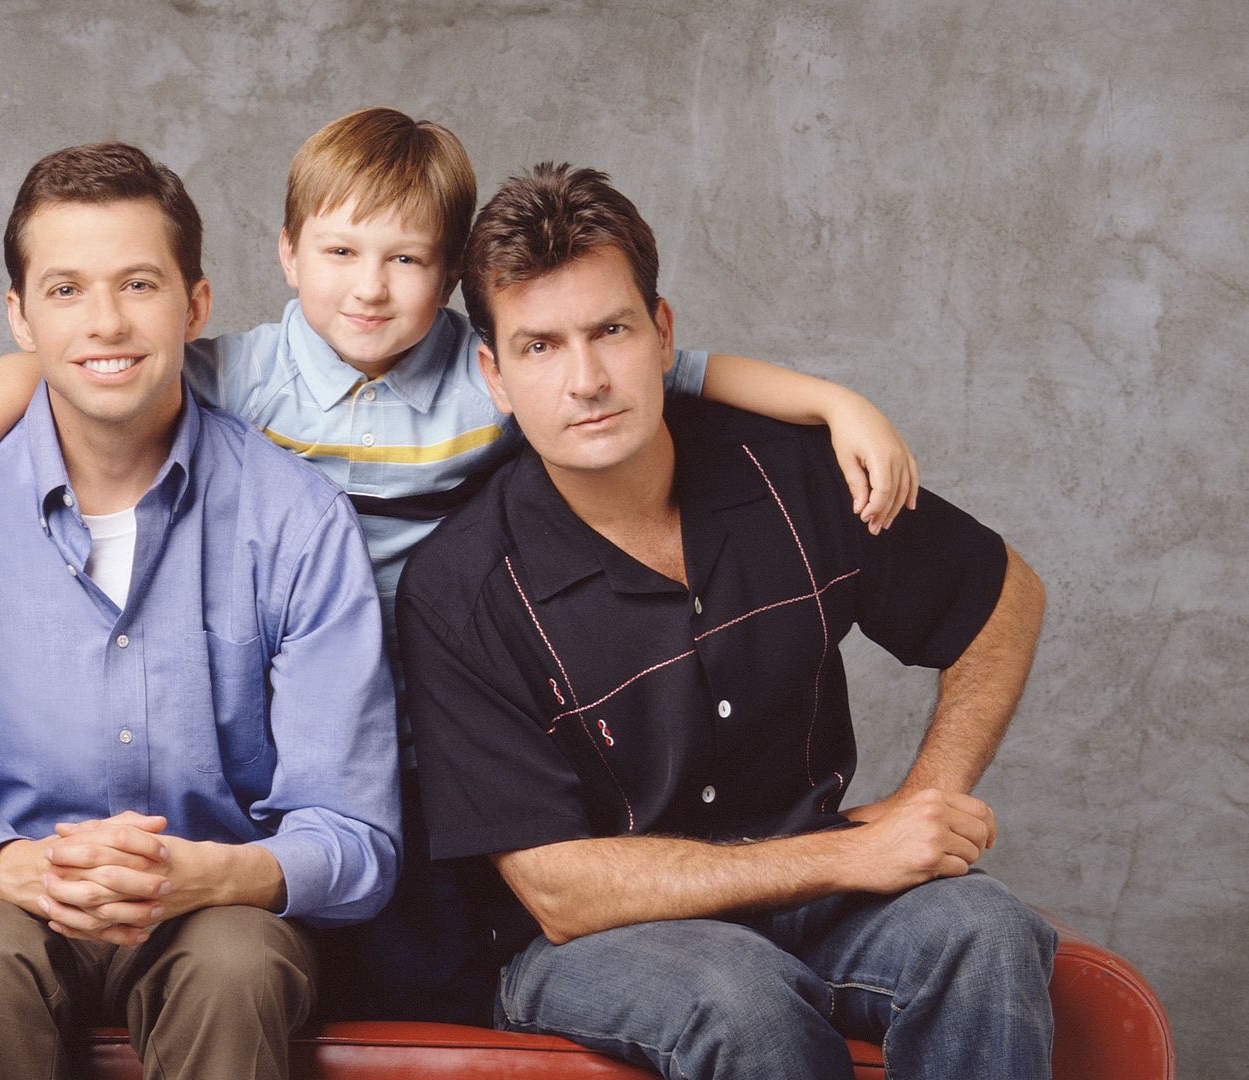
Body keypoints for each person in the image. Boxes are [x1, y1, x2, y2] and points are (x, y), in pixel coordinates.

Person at [0, 107, 920, 1023]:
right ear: (286, 257)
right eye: (342, 254)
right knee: (307, 924)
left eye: (406, 261)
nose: (370, 290)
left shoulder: (492, 373)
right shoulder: (239, 372)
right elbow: (46, 366)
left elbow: (674, 369)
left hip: (440, 725)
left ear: (451, 278)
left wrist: (833, 402)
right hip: (299, 720)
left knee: (418, 949)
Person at [397, 162, 1057, 1080]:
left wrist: (925, 798)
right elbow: (558, 891)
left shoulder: (789, 473)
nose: (585, 379)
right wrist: (844, 857)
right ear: (495, 376)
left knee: (986, 929)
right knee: (741, 995)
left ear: (662, 334)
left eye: (611, 331)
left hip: (818, 893)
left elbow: (1005, 593)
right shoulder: (460, 589)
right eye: (541, 347)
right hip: (583, 947)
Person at [0, 142, 400, 1080]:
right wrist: (10, 865)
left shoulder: (295, 519)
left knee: (236, 960)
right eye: (64, 290)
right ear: (18, 316)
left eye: (138, 283)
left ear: (196, 304)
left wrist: (208, 876)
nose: (105, 322)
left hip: (216, 914)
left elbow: (355, 834)